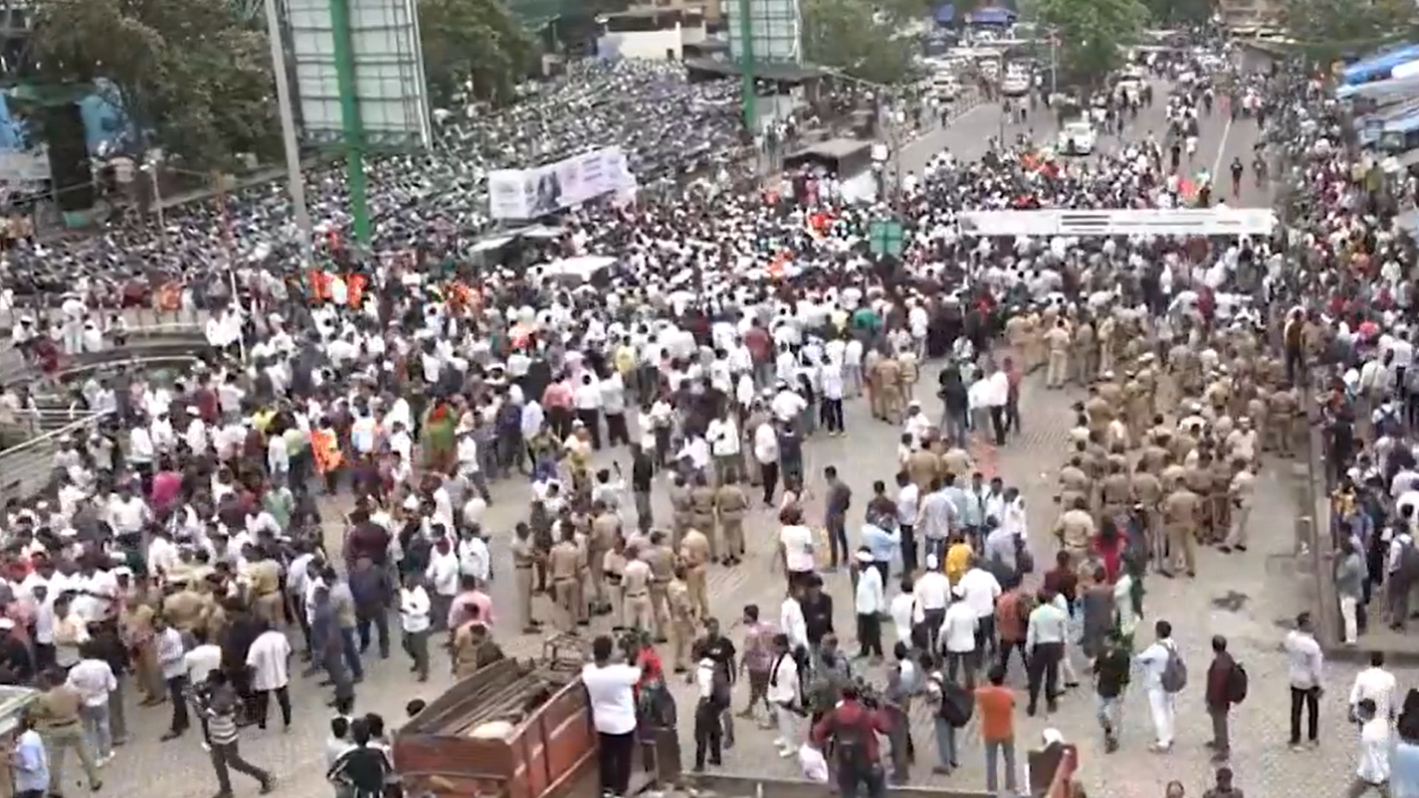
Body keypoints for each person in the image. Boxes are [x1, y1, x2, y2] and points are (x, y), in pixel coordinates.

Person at [200, 670, 275, 796]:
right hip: (218, 734)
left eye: (210, 682)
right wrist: (236, 716)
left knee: (235, 762)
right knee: (217, 761)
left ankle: (264, 776)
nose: (208, 684)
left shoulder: (221, 698)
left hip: (226, 736)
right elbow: (239, 703)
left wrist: (194, 700)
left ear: (216, 683)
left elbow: (203, 715)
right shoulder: (226, 687)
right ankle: (226, 790)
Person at [582, 634, 640, 797]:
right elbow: (637, 672)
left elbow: (592, 664)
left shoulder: (588, 673)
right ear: (610, 653)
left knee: (606, 756)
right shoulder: (621, 673)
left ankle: (607, 788)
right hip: (623, 724)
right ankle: (621, 790)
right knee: (623, 757)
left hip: (602, 723)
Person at [810, 683, 889, 798]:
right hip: (868, 760)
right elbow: (885, 727)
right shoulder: (865, 713)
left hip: (845, 761)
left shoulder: (835, 714)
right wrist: (879, 708)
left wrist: (826, 745)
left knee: (848, 791)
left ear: (842, 695)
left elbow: (817, 732)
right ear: (857, 695)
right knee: (878, 787)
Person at [1136, 619, 1181, 752]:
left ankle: (1163, 741)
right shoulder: (1173, 644)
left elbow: (1140, 658)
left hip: (1156, 683)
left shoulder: (1156, 648)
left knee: (1158, 712)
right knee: (1169, 708)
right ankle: (1170, 734)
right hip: (1170, 681)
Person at [975, 664, 1018, 795]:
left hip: (989, 731)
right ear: (1003, 679)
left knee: (991, 761)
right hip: (1006, 731)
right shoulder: (1009, 694)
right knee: (1010, 760)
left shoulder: (982, 694)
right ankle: (1011, 787)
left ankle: (992, 789)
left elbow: (976, 692)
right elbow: (1013, 704)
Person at [1284, 611, 1324, 751]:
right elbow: (1316, 668)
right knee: (1313, 710)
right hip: (1309, 681)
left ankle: (1295, 738)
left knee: (1296, 710)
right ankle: (1312, 738)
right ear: (1306, 624)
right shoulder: (1312, 646)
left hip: (1295, 677)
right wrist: (1319, 684)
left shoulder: (1290, 638)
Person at [327, 717, 394, 798]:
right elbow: (389, 772)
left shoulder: (347, 755)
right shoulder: (378, 750)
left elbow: (331, 776)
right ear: (369, 734)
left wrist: (349, 781)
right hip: (378, 793)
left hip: (361, 793)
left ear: (353, 735)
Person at [1092, 630, 1130, 752]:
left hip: (1115, 689)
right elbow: (1097, 666)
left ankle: (1113, 740)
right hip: (1102, 686)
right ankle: (1108, 729)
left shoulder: (1123, 655)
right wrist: (1094, 679)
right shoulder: (1102, 652)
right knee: (1100, 713)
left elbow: (1125, 675)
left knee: (1114, 716)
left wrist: (1122, 692)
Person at [1350, 698, 1391, 797]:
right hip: (1385, 770)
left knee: (1352, 795)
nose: (1359, 713)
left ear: (1366, 712)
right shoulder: (1382, 723)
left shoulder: (1367, 732)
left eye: (1361, 711)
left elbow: (1371, 756)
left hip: (1371, 774)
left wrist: (1378, 779)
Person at [11, 714, 49, 798]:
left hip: (32, 786)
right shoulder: (32, 734)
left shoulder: (27, 744)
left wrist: (11, 763)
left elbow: (32, 767)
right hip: (38, 781)